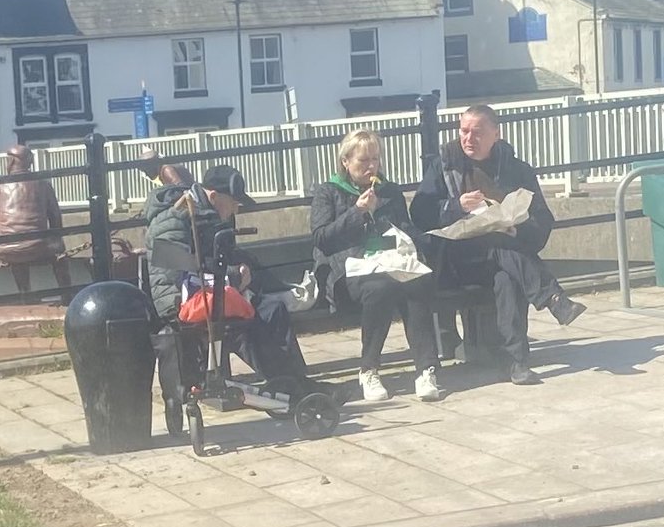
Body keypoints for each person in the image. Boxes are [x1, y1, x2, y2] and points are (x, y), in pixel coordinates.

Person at [410, 104, 585, 385]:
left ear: (496, 135)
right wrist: (455, 206)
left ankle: (516, 361)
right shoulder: (443, 165)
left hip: (505, 254)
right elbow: (419, 213)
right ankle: (553, 298)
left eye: (477, 133)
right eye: (464, 131)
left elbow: (542, 217)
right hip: (457, 259)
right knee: (502, 249)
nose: (469, 139)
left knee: (507, 277)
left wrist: (519, 229)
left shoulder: (516, 169)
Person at [144, 164, 315, 390]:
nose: (236, 209)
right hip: (182, 302)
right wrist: (233, 277)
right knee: (251, 320)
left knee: (273, 309)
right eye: (234, 202)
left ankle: (298, 384)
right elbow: (173, 267)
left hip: (212, 294)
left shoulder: (209, 214)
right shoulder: (174, 217)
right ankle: (292, 388)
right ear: (214, 196)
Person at [310, 129, 440, 402]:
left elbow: (405, 228)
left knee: (416, 283)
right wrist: (356, 212)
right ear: (346, 161)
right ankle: (368, 369)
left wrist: (426, 241)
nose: (371, 166)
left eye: (376, 159)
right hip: (350, 270)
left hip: (389, 264)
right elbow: (322, 238)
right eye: (363, 160)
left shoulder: (389, 191)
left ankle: (425, 370)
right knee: (380, 288)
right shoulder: (328, 192)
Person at [0, 145, 72, 300]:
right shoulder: (43, 184)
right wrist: (56, 238)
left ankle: (26, 295)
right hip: (39, 246)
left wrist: (4, 240)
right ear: (29, 162)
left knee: (15, 249)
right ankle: (67, 294)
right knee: (59, 251)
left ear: (10, 161)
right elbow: (55, 217)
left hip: (7, 249)